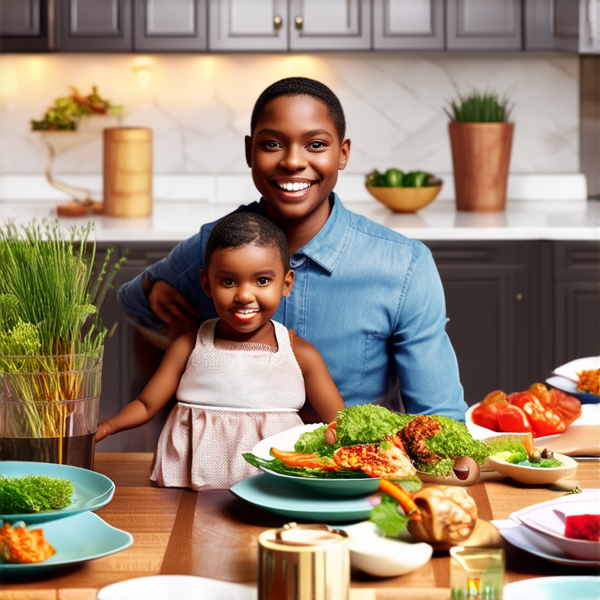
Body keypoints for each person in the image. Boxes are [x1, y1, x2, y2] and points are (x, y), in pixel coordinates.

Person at [119, 77, 468, 421]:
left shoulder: (403, 265)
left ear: (342, 154)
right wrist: (156, 287)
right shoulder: (210, 245)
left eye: (315, 145)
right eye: (272, 144)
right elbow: (131, 302)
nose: (292, 162)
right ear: (249, 152)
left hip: (348, 470)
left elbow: (438, 415)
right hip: (228, 470)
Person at [96, 213, 346, 491]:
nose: (244, 295)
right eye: (228, 281)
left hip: (272, 489)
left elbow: (339, 422)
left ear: (286, 283)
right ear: (206, 284)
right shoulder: (188, 346)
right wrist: (108, 426)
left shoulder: (301, 354)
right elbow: (146, 405)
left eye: (262, 281)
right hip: (189, 486)